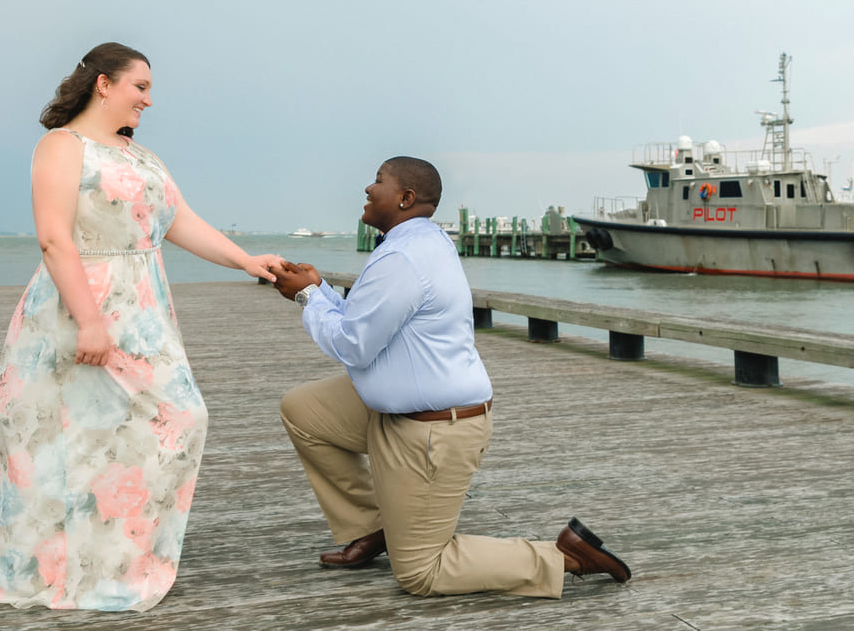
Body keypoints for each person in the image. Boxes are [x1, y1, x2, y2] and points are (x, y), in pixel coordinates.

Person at [0, 42, 282, 612]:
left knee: (177, 418)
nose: (149, 100)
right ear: (104, 84)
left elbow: (180, 222)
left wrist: (247, 262)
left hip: (142, 312)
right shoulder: (61, 147)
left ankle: (116, 560)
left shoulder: (143, 157)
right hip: (77, 307)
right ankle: (58, 567)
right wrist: (88, 320)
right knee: (62, 439)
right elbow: (54, 237)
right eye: (141, 87)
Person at [271, 157, 632, 599]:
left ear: (405, 198)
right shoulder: (419, 242)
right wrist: (320, 288)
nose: (368, 187)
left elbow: (352, 345)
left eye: (379, 182)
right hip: (398, 412)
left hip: (433, 431)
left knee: (422, 572)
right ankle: (375, 527)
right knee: (303, 411)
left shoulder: (402, 257)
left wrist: (306, 297)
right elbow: (366, 319)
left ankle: (564, 558)